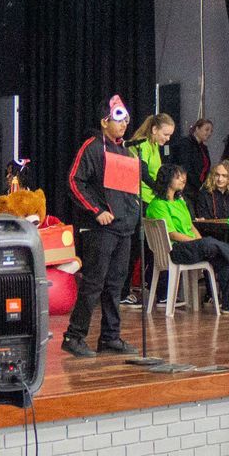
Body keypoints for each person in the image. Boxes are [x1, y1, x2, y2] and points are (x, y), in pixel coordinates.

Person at [63, 95, 142, 359]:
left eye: (127, 119)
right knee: (94, 284)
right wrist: (96, 210)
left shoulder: (125, 151)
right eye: (119, 119)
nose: (124, 124)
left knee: (116, 285)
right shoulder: (93, 146)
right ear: (104, 121)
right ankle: (74, 336)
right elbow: (75, 181)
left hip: (123, 229)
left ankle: (110, 336)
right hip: (101, 229)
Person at [143, 164, 229, 318]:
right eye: (178, 176)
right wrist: (199, 243)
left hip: (191, 247)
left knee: (224, 255)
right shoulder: (158, 205)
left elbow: (191, 226)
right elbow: (172, 234)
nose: (183, 179)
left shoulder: (180, 201)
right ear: (167, 179)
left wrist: (201, 242)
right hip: (176, 249)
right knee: (217, 247)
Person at [129, 112, 175, 202]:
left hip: (151, 196)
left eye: (170, 135)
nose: (168, 138)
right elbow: (143, 173)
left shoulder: (154, 144)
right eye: (165, 134)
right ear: (154, 130)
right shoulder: (143, 143)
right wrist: (160, 189)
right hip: (141, 196)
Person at [168, 118, 214, 193]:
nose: (209, 133)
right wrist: (198, 184)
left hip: (197, 187)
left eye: (211, 131)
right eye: (207, 130)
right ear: (197, 128)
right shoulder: (185, 144)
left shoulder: (203, 148)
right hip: (187, 187)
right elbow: (186, 166)